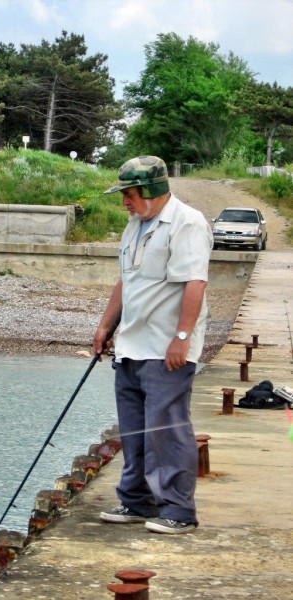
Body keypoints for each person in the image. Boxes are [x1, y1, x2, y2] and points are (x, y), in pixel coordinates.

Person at [93, 155, 213, 534]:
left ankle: (178, 510)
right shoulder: (134, 225)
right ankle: (137, 501)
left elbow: (195, 283)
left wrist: (182, 338)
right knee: (134, 429)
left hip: (166, 349)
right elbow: (126, 281)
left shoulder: (187, 223)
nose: (124, 203)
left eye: (128, 194)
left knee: (167, 430)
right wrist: (105, 326)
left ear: (149, 190)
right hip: (131, 346)